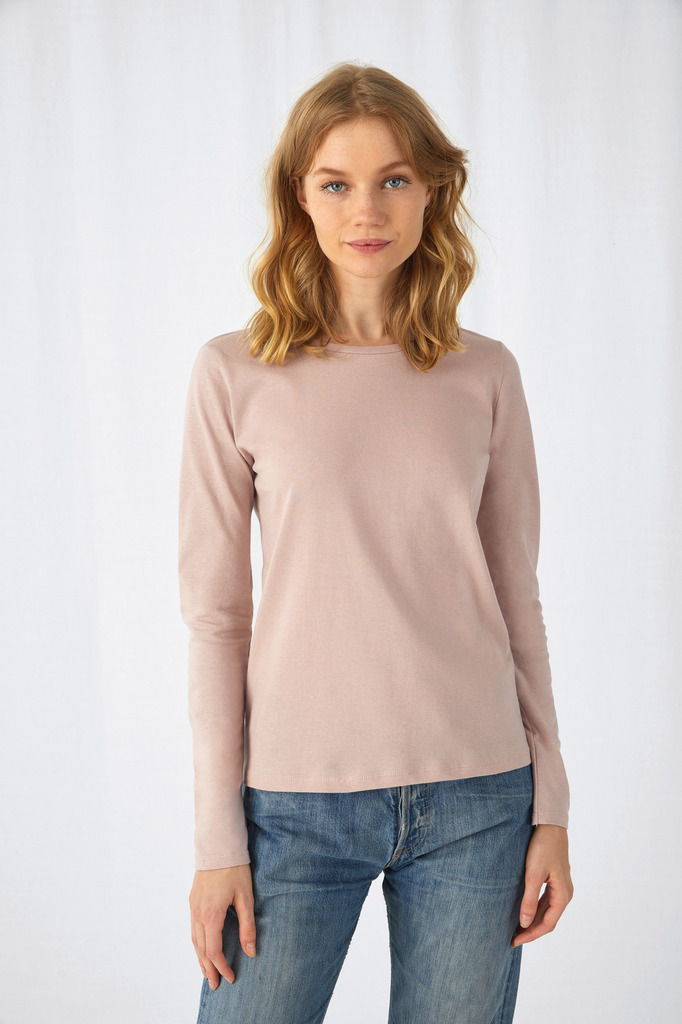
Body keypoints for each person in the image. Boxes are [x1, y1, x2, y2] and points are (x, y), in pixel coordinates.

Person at [178, 61, 573, 1024]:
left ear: (432, 189)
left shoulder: (486, 374)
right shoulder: (235, 373)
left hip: (479, 798)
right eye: (336, 182)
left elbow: (516, 595)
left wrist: (551, 806)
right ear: (299, 196)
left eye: (395, 178)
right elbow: (217, 619)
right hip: (293, 808)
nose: (367, 209)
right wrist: (217, 840)